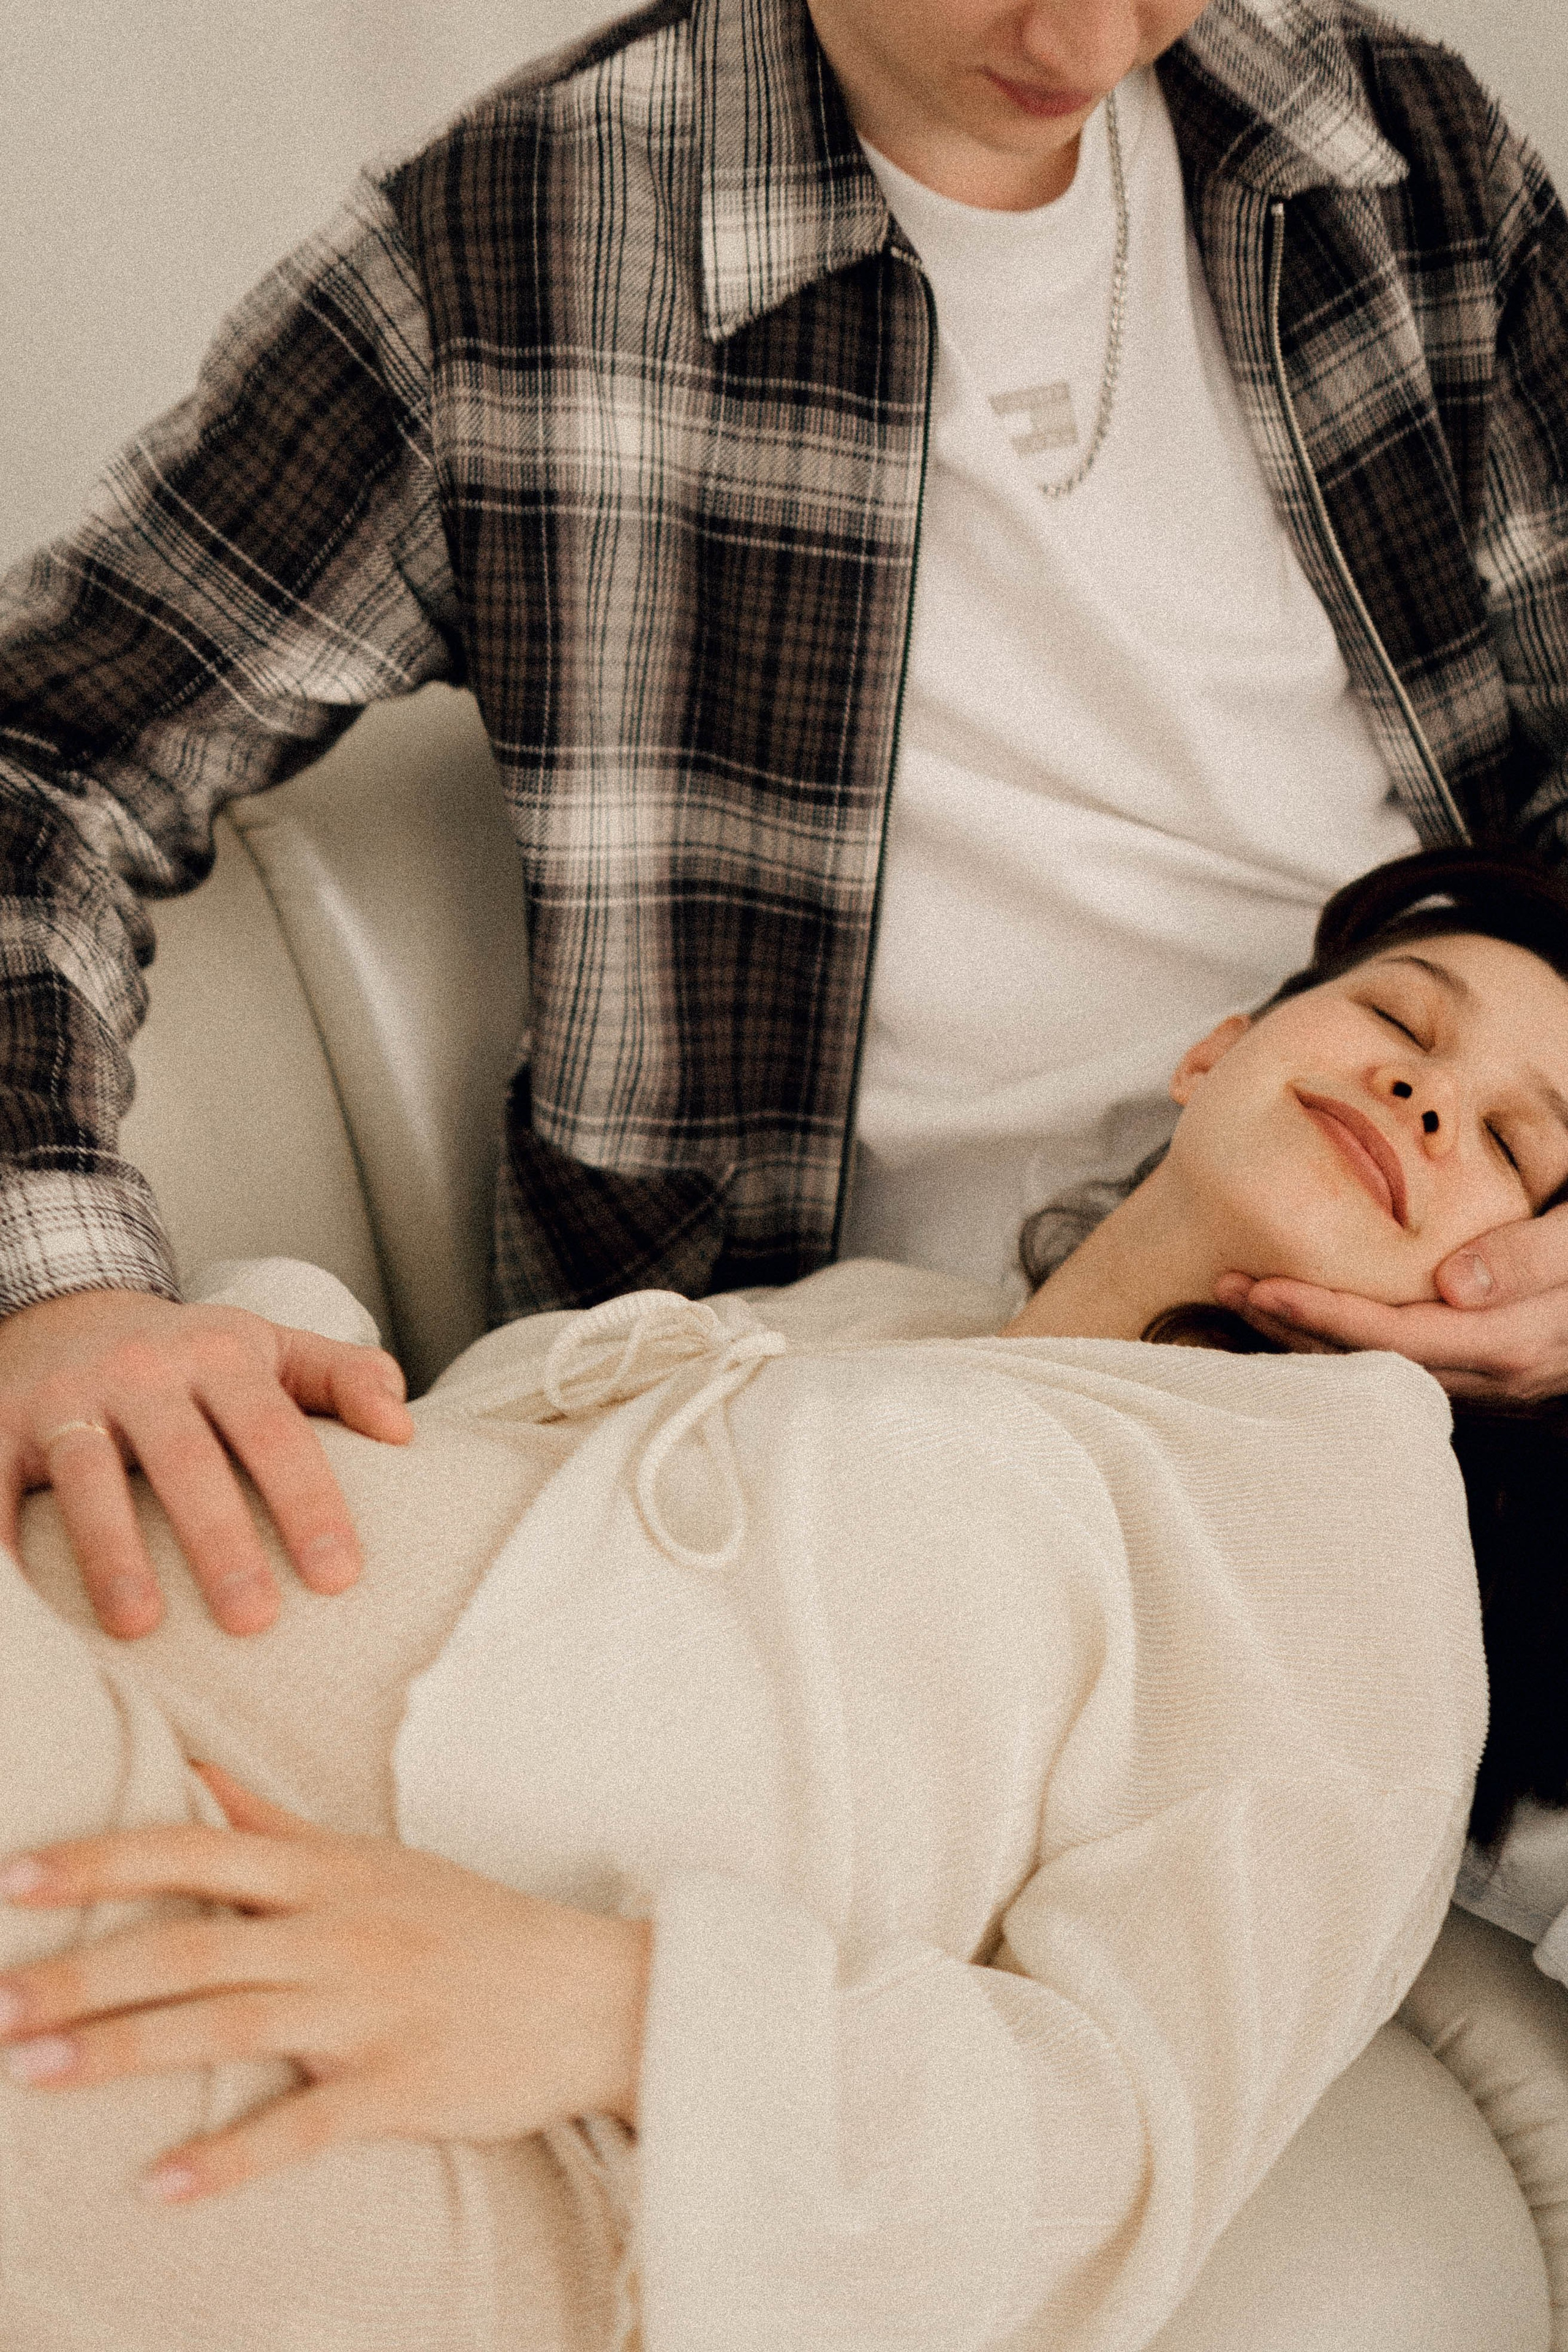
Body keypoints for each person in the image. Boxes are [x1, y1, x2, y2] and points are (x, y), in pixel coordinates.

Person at [2, 0, 1567, 1645]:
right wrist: (59, 1287)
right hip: (868, 1478)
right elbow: (39, 754)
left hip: (1455, 1426)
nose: (1096, 38)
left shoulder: (1401, 166)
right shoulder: (509, 259)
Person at [0, 842, 1561, 2351]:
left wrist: (613, 2007)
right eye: (1398, 1019)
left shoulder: (1350, 1549)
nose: (1433, 1093)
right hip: (184, 1791)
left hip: (461, 2139)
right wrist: (275, 1365)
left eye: (1515, 1148)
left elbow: (1120, 2126)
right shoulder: (889, 1319)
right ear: (1215, 1050)